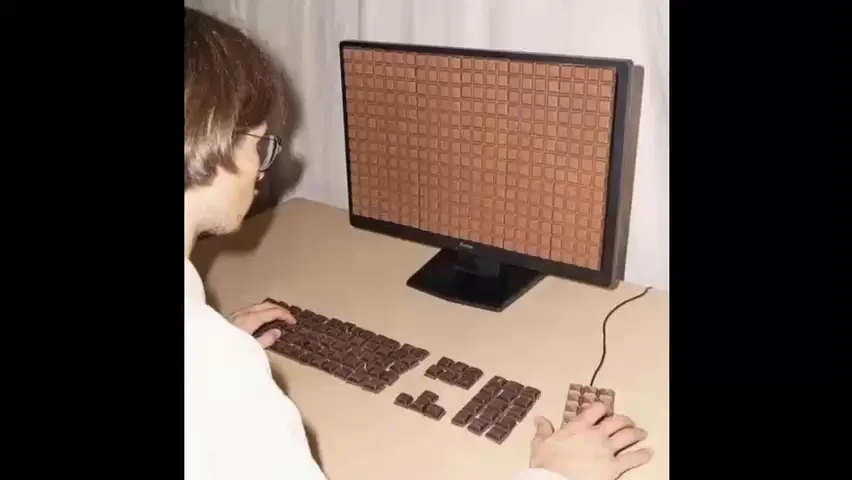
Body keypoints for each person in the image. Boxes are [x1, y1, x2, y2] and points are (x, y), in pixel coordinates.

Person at [184, 6, 653, 480]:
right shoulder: (219, 369)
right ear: (207, 143)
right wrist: (557, 475)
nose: (262, 168)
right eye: (260, 143)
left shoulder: (208, 355)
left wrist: (215, 351)